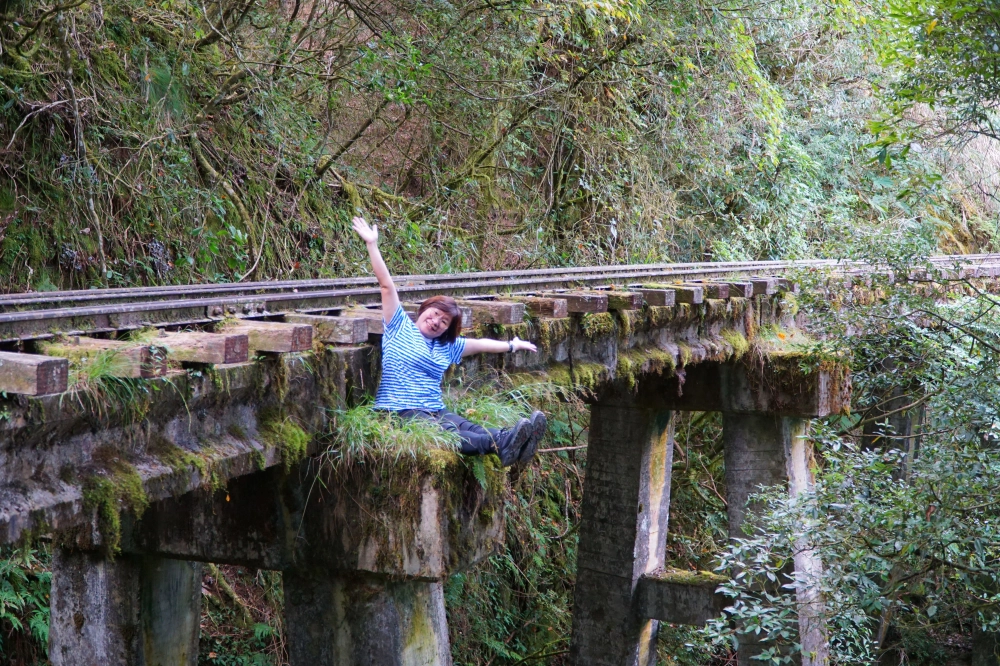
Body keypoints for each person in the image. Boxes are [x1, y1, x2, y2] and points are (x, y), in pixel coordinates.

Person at [353, 216, 546, 466]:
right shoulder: (399, 326)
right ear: (424, 310)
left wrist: (512, 345)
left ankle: (515, 441)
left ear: (446, 330)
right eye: (434, 314)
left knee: (464, 425)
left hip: (434, 408)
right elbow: (387, 286)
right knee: (447, 435)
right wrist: (372, 244)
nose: (435, 322)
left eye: (443, 322)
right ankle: (503, 444)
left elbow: (481, 344)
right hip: (399, 410)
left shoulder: (447, 346)